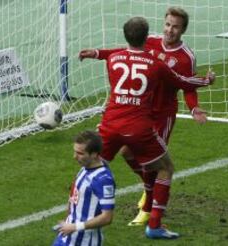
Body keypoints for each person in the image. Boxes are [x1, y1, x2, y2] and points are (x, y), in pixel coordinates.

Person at [80, 16, 214, 239]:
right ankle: (153, 217)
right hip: (141, 121)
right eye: (168, 25)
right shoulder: (155, 63)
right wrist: (207, 81)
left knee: (93, 166)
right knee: (160, 165)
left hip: (142, 117)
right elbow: (183, 82)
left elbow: (118, 52)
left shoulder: (116, 58)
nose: (170, 30)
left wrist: (193, 108)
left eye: (175, 26)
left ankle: (89, 213)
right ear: (149, 35)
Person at [52, 130, 116, 246]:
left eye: (80, 153)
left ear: (94, 154)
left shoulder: (103, 180)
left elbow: (107, 217)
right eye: (75, 151)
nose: (74, 157)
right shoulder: (85, 168)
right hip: (66, 236)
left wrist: (75, 226)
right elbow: (73, 199)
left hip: (84, 242)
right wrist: (68, 221)